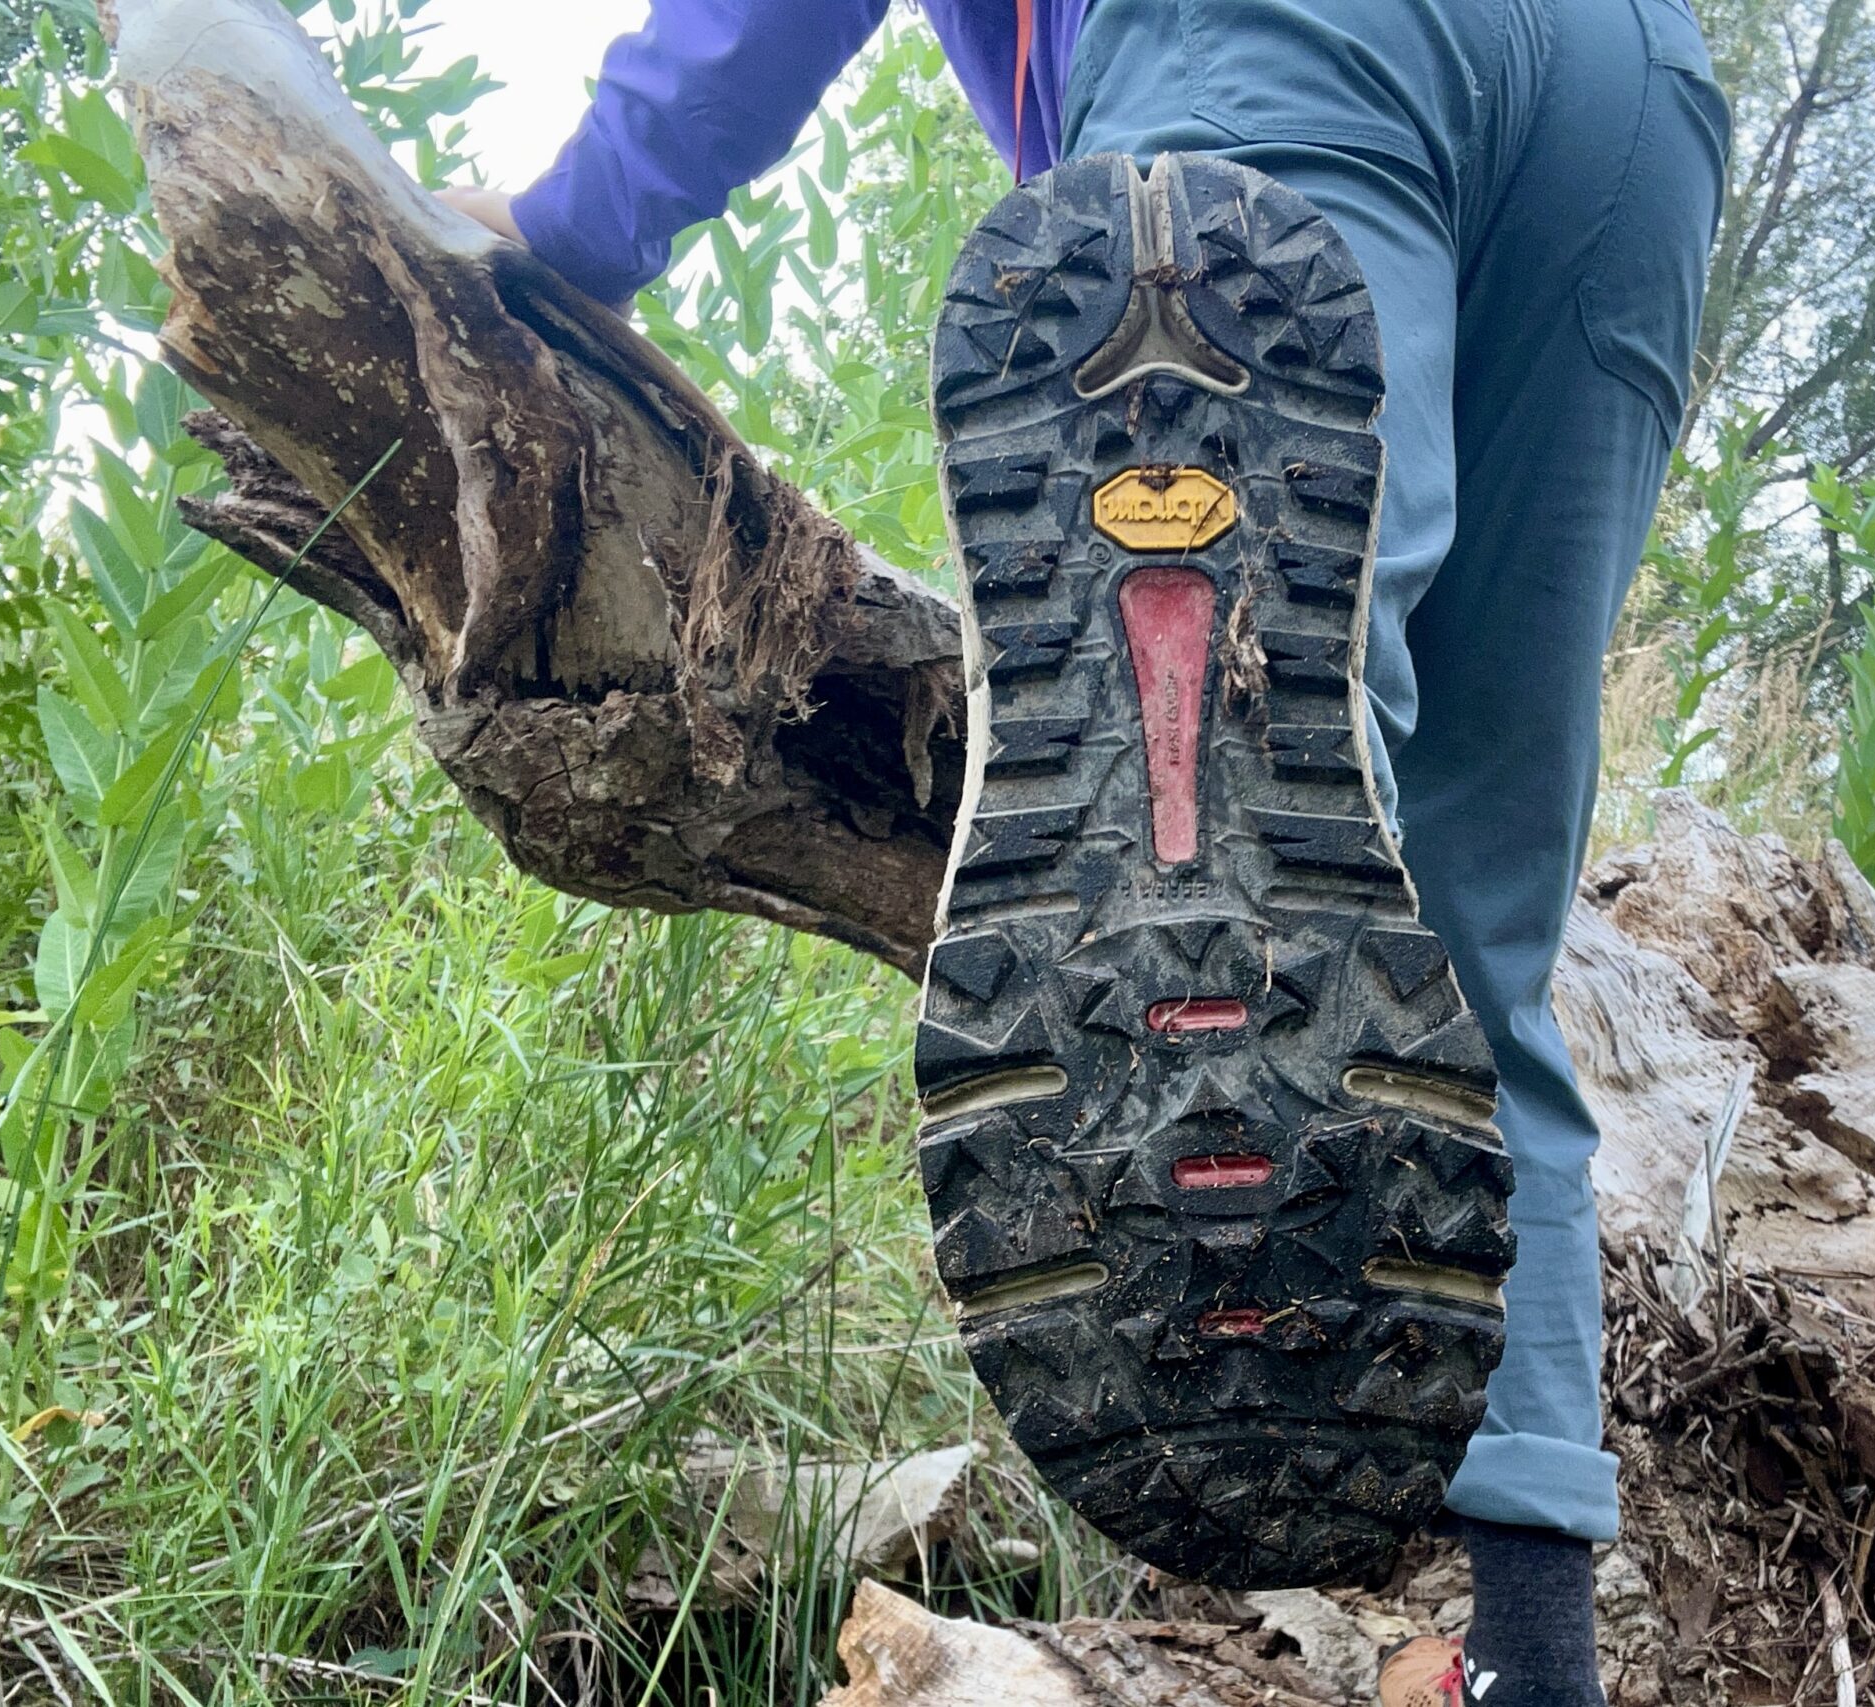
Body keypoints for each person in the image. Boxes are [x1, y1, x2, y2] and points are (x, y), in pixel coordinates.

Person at [442, 3, 1725, 1701]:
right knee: (1454, 926)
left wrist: (576, 225)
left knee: (1231, 811)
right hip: (1632, 101)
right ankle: (1534, 1655)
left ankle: (1248, 1522)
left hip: (1289, 44)